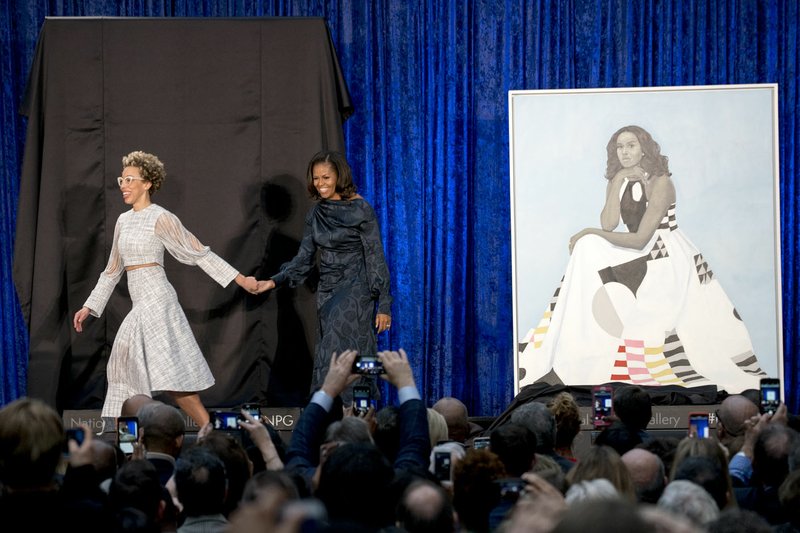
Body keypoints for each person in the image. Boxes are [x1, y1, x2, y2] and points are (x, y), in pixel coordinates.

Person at [518, 125, 765, 393]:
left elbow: (642, 239)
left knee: (589, 241)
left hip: (663, 253)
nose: (624, 152)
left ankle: (614, 352)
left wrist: (588, 231)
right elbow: (610, 224)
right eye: (619, 147)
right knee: (587, 247)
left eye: (631, 145)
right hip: (638, 250)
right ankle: (575, 344)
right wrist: (618, 181)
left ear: (644, 147)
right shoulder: (619, 179)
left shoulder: (661, 182)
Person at [73, 151, 261, 429]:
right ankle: (132, 442)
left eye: (129, 179)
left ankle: (208, 432)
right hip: (141, 303)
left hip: (158, 300)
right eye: (120, 179)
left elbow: (198, 253)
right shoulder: (123, 221)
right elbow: (112, 270)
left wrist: (241, 279)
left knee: (166, 375)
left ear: (147, 183)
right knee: (128, 370)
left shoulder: (161, 217)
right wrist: (90, 306)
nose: (122, 185)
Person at [255, 150, 392, 404]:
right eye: (316, 178)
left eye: (326, 177)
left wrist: (384, 303)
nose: (320, 184)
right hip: (328, 293)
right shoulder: (316, 214)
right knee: (329, 358)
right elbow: (303, 259)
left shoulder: (360, 209)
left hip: (356, 290)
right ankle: (334, 422)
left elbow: (375, 255)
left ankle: (357, 419)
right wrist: (274, 280)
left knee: (347, 354)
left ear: (339, 176)